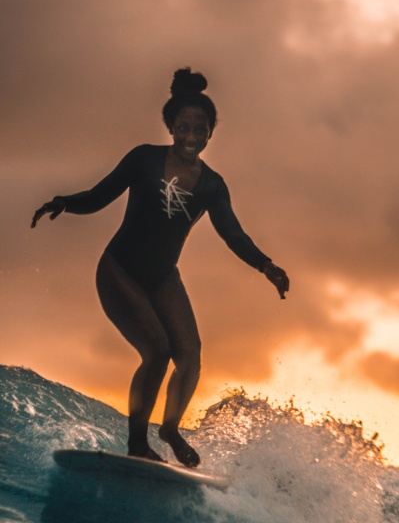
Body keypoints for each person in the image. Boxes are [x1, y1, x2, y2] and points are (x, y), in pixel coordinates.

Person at [32, 68, 289, 468]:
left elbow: (232, 234)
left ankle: (169, 429)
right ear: (170, 126)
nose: (191, 136)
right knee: (157, 351)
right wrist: (65, 202)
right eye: (183, 127)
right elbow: (99, 196)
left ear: (210, 133)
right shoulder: (144, 159)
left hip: (163, 277)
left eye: (199, 130)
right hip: (120, 270)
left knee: (190, 355)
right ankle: (137, 444)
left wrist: (266, 266)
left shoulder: (212, 186)